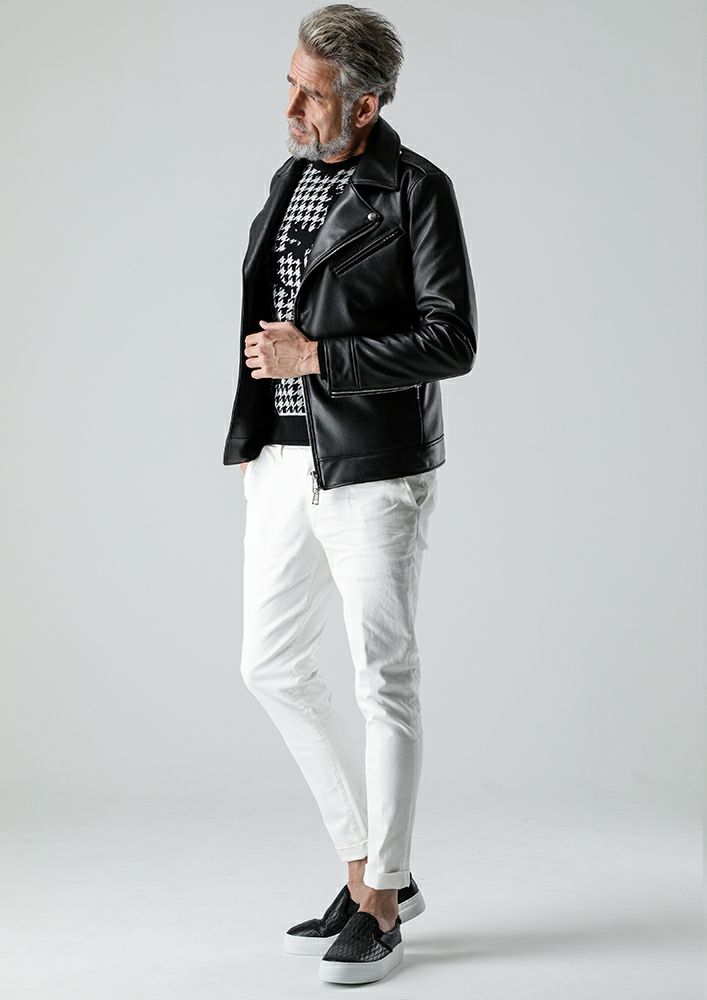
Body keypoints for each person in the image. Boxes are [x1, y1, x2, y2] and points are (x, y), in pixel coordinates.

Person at [222, 3, 477, 984]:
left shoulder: (416, 191)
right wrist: (253, 433)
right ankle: (369, 860)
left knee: (382, 678)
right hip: (283, 461)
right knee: (268, 663)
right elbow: (264, 315)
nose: (290, 108)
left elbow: (450, 338)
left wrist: (320, 358)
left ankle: (381, 899)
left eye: (311, 95)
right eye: (289, 86)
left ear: (365, 105)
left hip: (373, 464)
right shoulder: (289, 178)